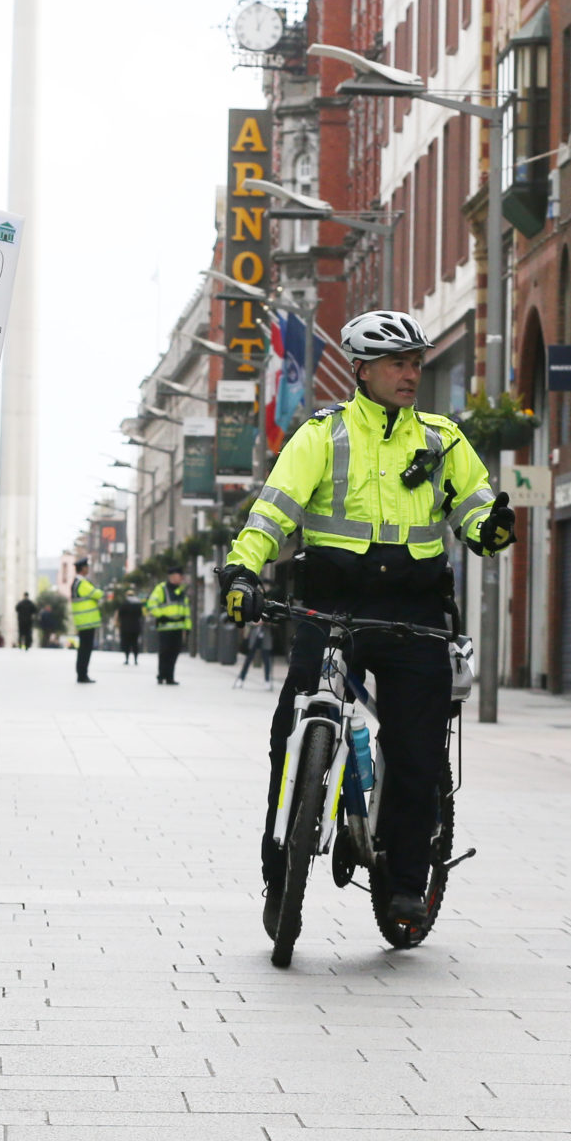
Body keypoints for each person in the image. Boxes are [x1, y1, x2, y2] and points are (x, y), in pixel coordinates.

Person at [219, 310, 511, 933]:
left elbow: (478, 512)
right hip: (332, 606)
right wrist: (243, 571)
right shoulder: (322, 436)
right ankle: (280, 876)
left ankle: (407, 885)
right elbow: (273, 514)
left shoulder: (442, 439)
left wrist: (494, 526)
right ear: (361, 371)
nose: (411, 374)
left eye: (415, 363)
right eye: (397, 364)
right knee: (288, 730)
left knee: (416, 749)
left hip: (414, 610)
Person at [147, 568, 192, 684]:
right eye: (179, 575)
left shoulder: (181, 590)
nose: (181, 578)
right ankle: (161, 675)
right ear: (171, 576)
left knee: (174, 653)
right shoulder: (161, 589)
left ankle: (170, 677)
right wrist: (160, 615)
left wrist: (187, 627)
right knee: (164, 652)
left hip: (178, 627)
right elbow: (151, 604)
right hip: (165, 626)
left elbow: (186, 610)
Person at [68, 557, 102, 683]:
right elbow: (97, 594)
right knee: (85, 649)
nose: (88, 569)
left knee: (84, 648)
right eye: (87, 567)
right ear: (83, 568)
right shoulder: (82, 583)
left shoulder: (76, 583)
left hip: (82, 620)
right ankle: (82, 675)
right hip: (87, 620)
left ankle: (82, 674)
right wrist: (98, 592)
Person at [234, 615, 274, 689]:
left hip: (265, 637)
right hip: (254, 636)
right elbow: (247, 620)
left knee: (266, 660)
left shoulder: (270, 607)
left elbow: (275, 623)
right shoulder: (255, 607)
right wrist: (255, 622)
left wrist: (267, 622)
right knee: (248, 660)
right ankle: (241, 679)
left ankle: (267, 681)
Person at [115, 592, 145, 664]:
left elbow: (120, 614)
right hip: (136, 627)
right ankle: (135, 659)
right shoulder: (138, 604)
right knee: (135, 643)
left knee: (126, 644)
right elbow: (141, 615)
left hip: (125, 627)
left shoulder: (124, 604)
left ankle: (127, 659)